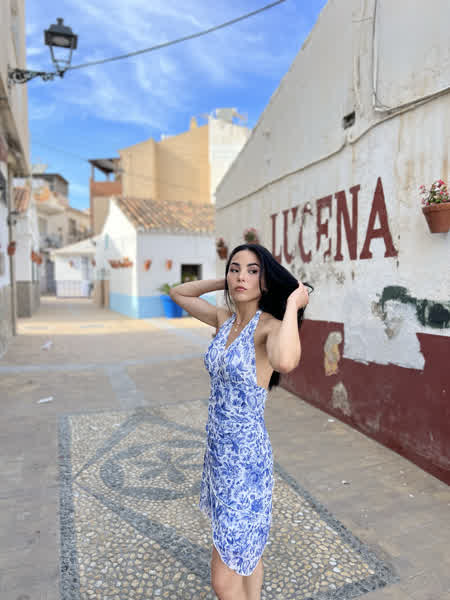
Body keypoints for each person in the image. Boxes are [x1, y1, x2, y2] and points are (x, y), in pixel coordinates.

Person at [169, 243, 312, 600]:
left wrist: (292, 305)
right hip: (218, 455)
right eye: (235, 269)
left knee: (223, 578)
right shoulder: (225, 320)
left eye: (252, 270)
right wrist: (226, 281)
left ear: (266, 280)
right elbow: (179, 293)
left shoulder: (269, 328)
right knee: (247, 552)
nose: (241, 276)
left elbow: (286, 361)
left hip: (246, 461)